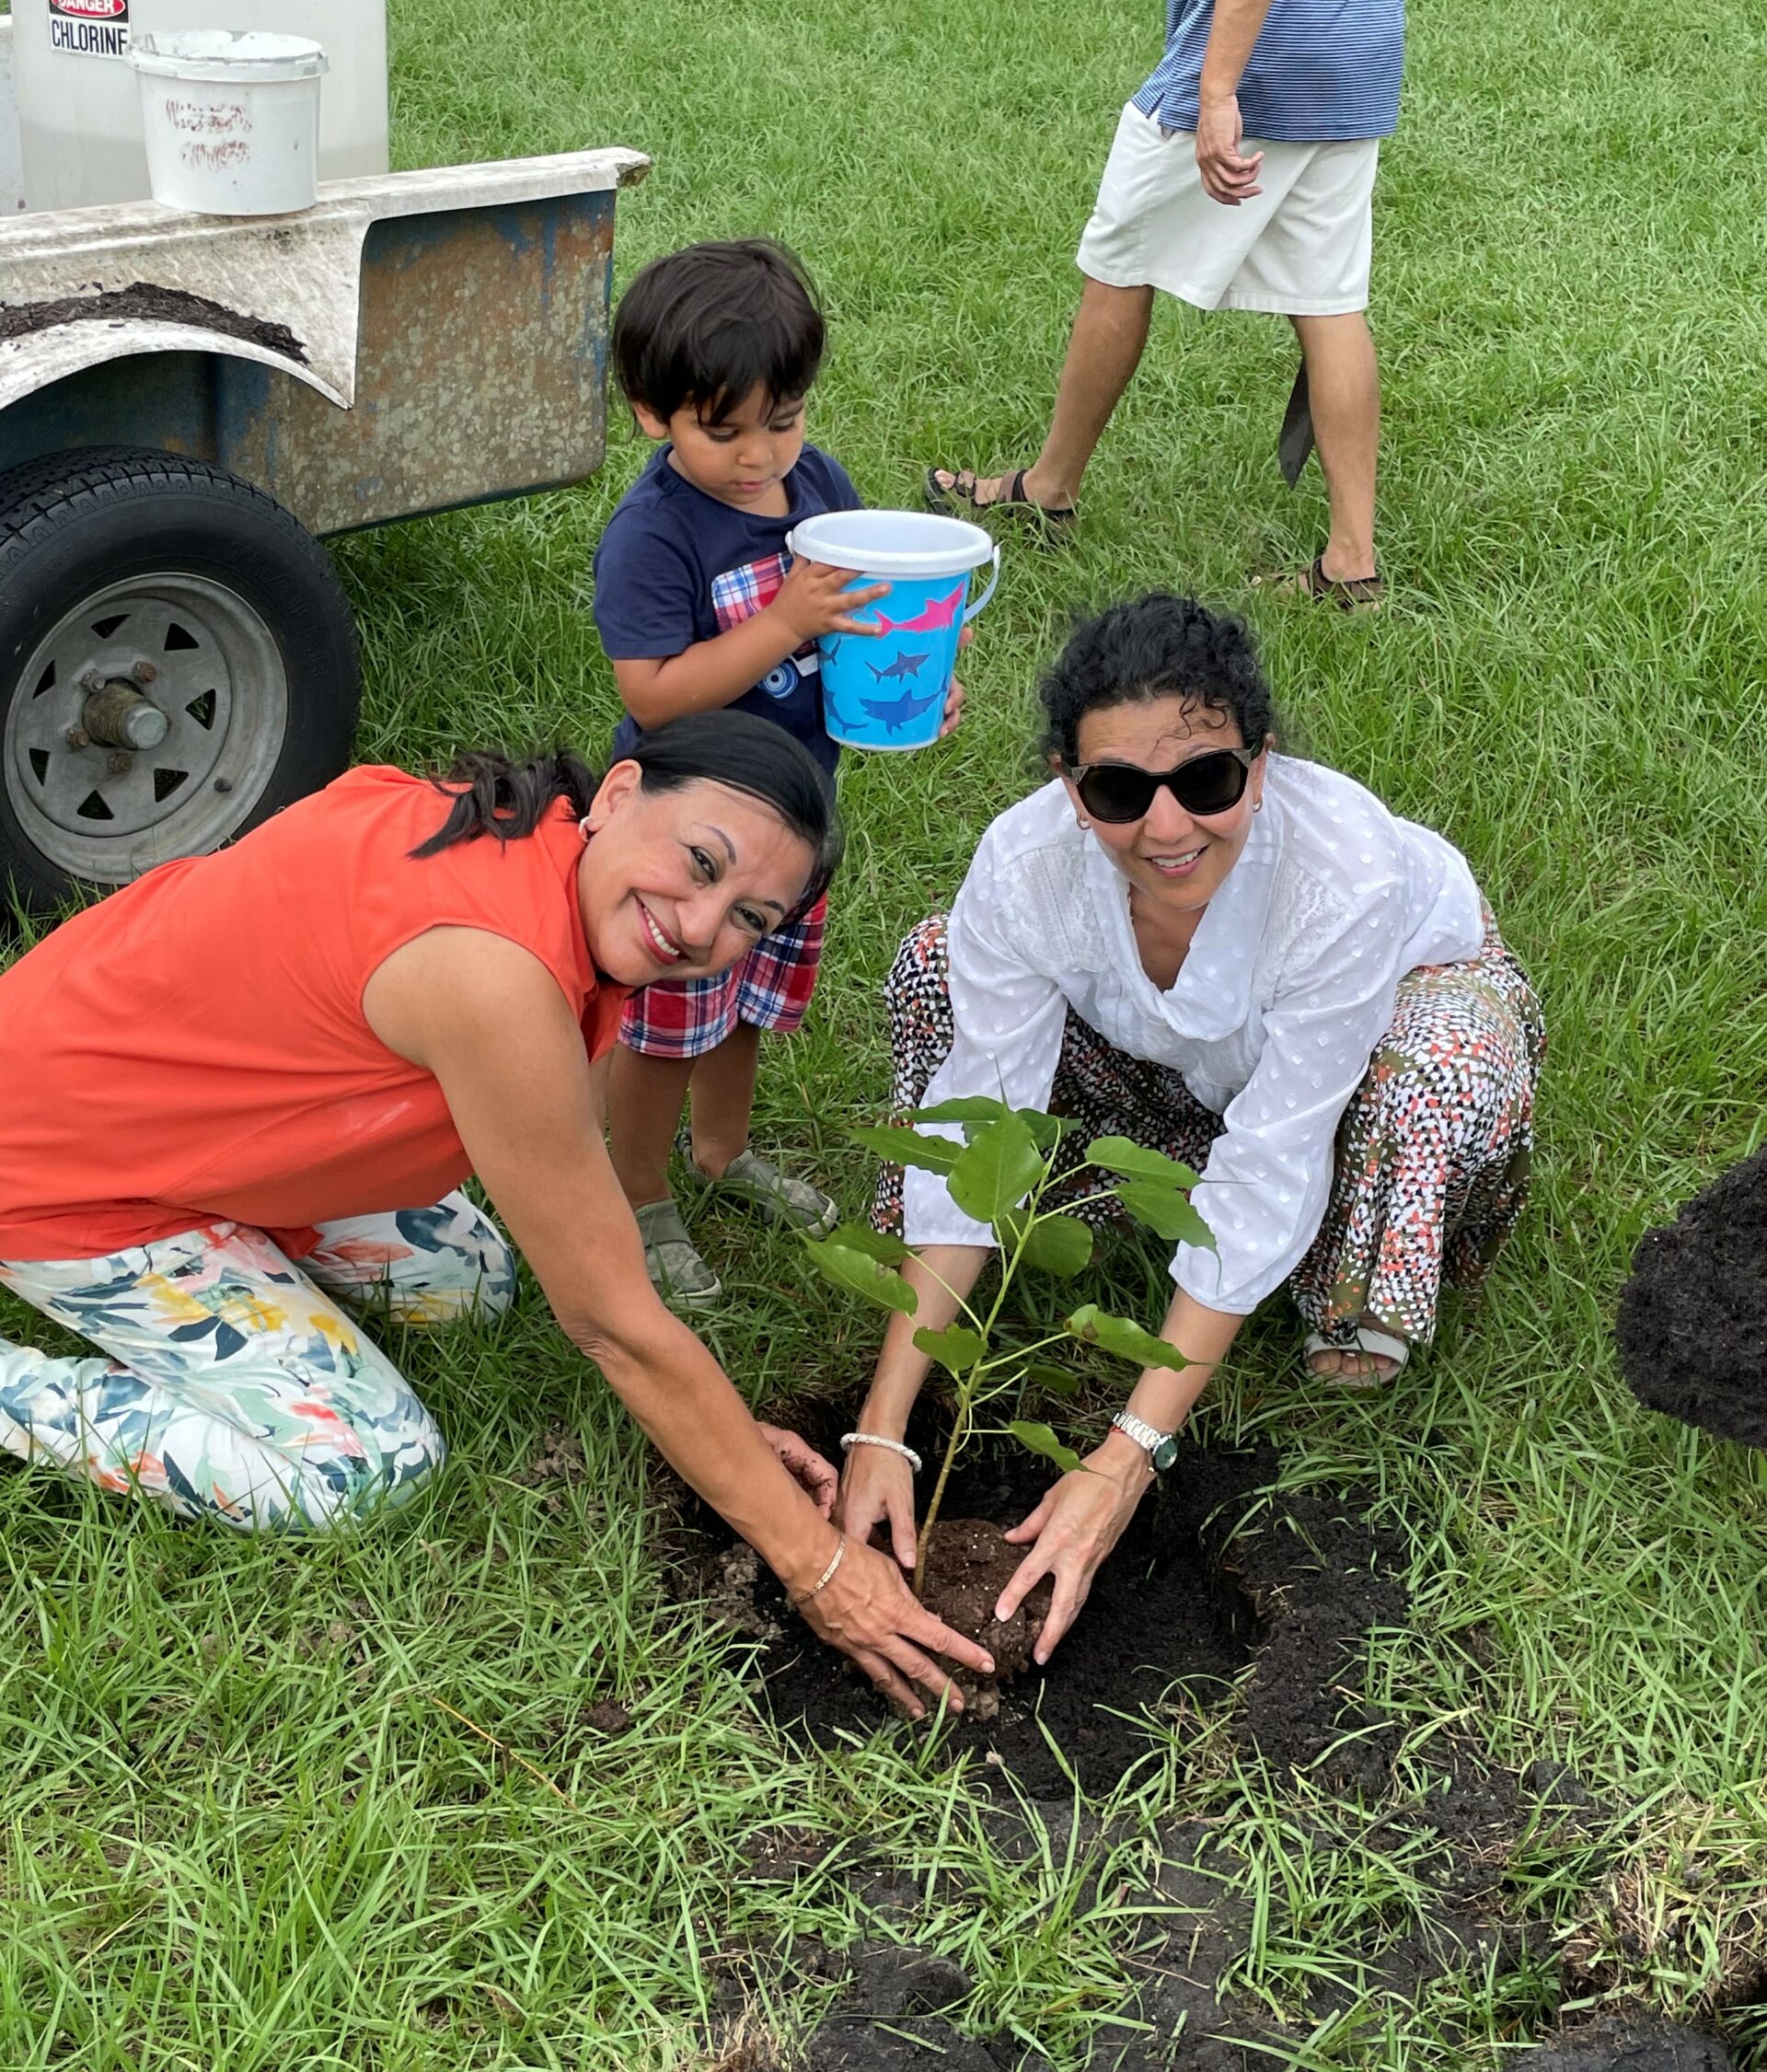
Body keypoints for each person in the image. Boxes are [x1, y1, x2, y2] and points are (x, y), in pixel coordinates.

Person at [0, 714, 990, 1719]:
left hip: (151, 1086)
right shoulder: (494, 975)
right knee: (368, 1468)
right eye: (701, 861)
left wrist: (723, 1432)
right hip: (59, 1171)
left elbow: (576, 1190)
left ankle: (248, 1230)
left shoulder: (525, 833)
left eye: (748, 916)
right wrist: (815, 1562)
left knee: (468, 1284)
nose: (698, 925)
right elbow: (612, 1323)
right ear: (617, 794)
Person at [837, 594, 1542, 1664]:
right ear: (1071, 791)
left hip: (1405, 1001)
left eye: (1206, 779)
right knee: (941, 962)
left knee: (1426, 1076)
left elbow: (1271, 1158)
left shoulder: (1339, 870)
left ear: (1258, 765)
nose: (1166, 828)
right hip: (1187, 1051)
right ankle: (1086, 1240)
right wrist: (883, 1422)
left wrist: (1125, 1453)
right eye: (1120, 790)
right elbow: (981, 1123)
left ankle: (1343, 1308)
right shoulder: (1027, 869)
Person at [927, 0, 1455, 608]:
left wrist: (1218, 86)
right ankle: (1351, 563)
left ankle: (1048, 489)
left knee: (1116, 259)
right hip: (1358, 46)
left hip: (1258, 49)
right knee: (1329, 299)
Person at [594, 238, 962, 1308]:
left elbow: (866, 621)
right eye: (727, 429)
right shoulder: (654, 534)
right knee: (671, 1018)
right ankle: (637, 1189)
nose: (762, 455)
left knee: (748, 1002)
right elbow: (657, 694)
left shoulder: (820, 490)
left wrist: (915, 667)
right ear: (652, 413)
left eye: (784, 419)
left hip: (797, 822)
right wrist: (785, 617)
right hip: (694, 838)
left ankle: (722, 1151)